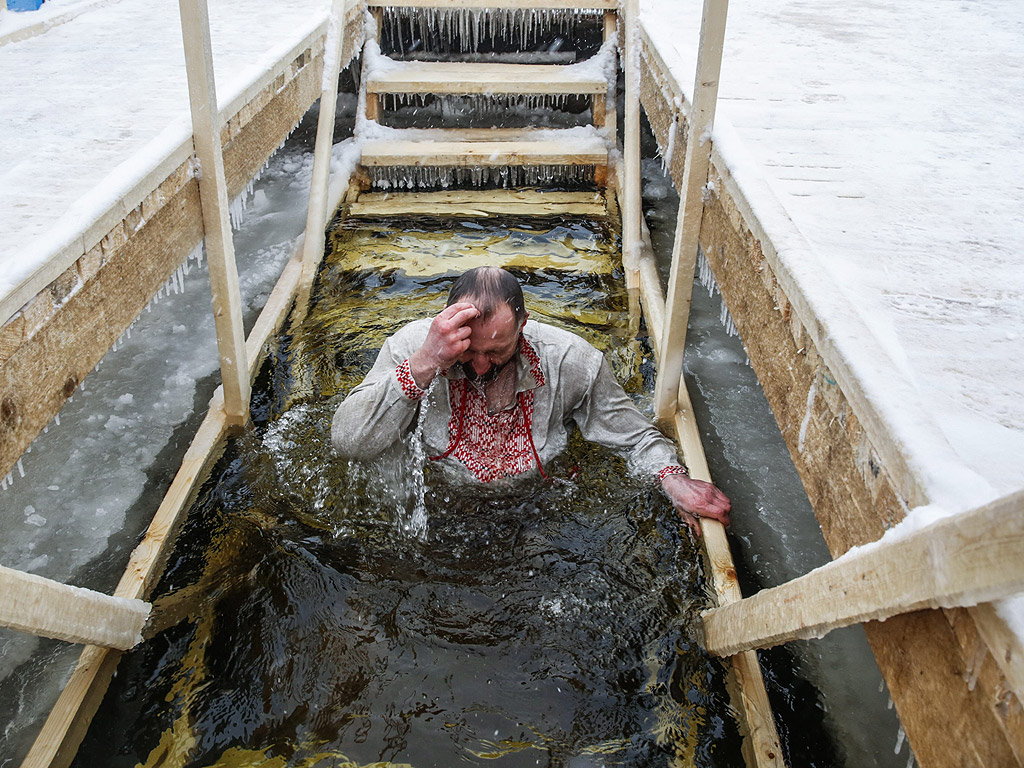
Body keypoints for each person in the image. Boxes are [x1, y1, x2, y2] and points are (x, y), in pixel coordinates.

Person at [331, 267, 730, 534]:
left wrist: (671, 479)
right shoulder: (413, 347)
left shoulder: (570, 360)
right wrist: (423, 365)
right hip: (439, 505)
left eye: (497, 351)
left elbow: (635, 436)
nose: (483, 366)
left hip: (537, 510)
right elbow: (349, 441)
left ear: (523, 326)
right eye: (469, 352)